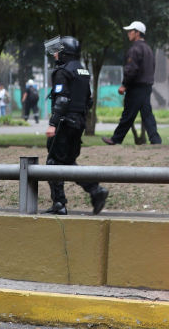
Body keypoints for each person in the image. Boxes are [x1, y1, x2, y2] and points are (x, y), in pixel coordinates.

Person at [44, 36, 109, 215]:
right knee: (68, 161)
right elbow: (88, 100)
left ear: (65, 52)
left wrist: (53, 124)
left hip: (65, 123)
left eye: (57, 51)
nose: (55, 54)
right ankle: (96, 191)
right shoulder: (82, 71)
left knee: (53, 162)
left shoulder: (62, 72)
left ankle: (59, 204)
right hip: (78, 123)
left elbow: (62, 100)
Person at [102, 21, 162, 145]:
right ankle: (156, 141)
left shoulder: (135, 49)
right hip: (146, 86)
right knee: (147, 115)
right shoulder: (148, 49)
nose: (128, 33)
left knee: (128, 115)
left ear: (137, 33)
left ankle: (116, 139)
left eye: (131, 31)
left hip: (136, 87)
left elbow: (131, 69)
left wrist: (124, 85)